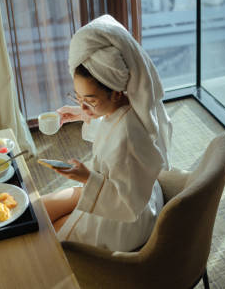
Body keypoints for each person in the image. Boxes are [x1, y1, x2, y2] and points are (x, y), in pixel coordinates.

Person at [41, 15, 172, 252]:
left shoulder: (129, 138)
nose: (82, 106)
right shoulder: (128, 107)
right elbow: (108, 126)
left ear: (116, 93)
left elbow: (127, 205)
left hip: (126, 218)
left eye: (89, 101)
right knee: (39, 211)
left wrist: (86, 178)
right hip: (119, 190)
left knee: (50, 237)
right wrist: (83, 112)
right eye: (77, 97)